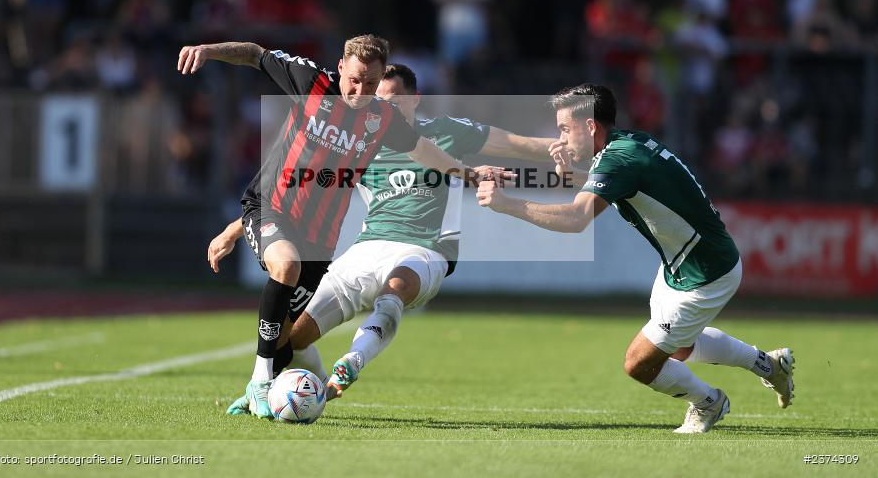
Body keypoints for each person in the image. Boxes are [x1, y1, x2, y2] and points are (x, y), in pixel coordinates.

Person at [177, 36, 489, 418]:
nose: (360, 91)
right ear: (341, 67)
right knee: (286, 267)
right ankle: (259, 383)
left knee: (287, 339)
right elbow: (256, 55)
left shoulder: (382, 118)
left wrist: (466, 172)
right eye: (355, 79)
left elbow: (423, 150)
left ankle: (271, 389)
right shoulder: (311, 83)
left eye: (371, 84)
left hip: (320, 238)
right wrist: (208, 51)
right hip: (269, 207)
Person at [208, 63, 555, 399]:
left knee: (395, 290)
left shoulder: (446, 131)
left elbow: (514, 143)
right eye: (379, 99)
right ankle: (300, 392)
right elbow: (295, 193)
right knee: (290, 339)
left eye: (394, 99)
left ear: (415, 98)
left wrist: (565, 151)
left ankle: (352, 362)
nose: (384, 105)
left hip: (425, 249)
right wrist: (235, 230)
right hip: (367, 247)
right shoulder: (359, 141)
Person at [475, 84, 795, 434]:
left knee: (639, 363)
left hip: (706, 274)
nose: (561, 139)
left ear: (591, 127)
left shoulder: (620, 157)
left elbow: (575, 220)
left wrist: (507, 204)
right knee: (680, 347)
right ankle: (770, 365)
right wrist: (571, 176)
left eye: (565, 129)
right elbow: (616, 182)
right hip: (683, 264)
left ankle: (709, 402)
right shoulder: (627, 142)